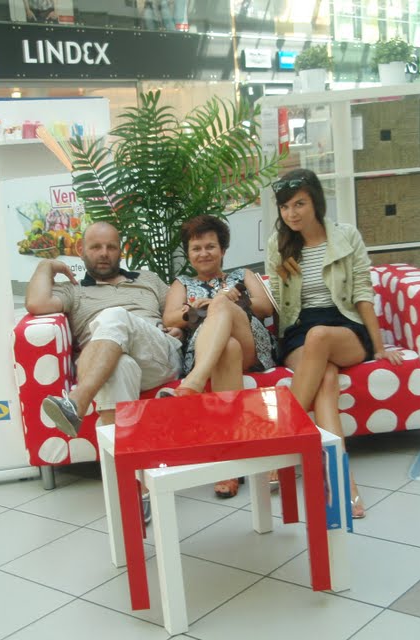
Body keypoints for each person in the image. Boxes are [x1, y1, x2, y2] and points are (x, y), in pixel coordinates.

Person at [265, 169, 403, 519]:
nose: (292, 213)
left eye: (299, 204)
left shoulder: (345, 237)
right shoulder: (278, 245)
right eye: (285, 207)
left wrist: (379, 346)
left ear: (316, 202)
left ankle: (282, 441)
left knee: (320, 336)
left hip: (343, 326)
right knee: (325, 379)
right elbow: (280, 304)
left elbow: (362, 292)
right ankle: (343, 485)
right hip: (300, 331)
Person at [26, 221, 183, 438]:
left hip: (159, 359)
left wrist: (180, 329)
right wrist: (45, 266)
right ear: (81, 250)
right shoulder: (73, 290)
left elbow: (177, 312)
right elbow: (37, 303)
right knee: (118, 365)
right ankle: (122, 456)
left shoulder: (148, 279)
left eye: (111, 247)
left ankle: (77, 401)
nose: (104, 253)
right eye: (96, 247)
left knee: (114, 315)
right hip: (105, 364)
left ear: (120, 251)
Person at [161, 215, 276, 498]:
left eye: (210, 246)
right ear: (188, 253)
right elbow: (169, 317)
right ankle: (229, 464)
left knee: (222, 305)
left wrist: (224, 301)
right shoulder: (182, 283)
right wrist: (193, 311)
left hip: (251, 343)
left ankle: (195, 381)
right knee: (228, 348)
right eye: (196, 248)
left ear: (223, 250)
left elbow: (265, 307)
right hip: (210, 348)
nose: (203, 253)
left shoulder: (242, 276)